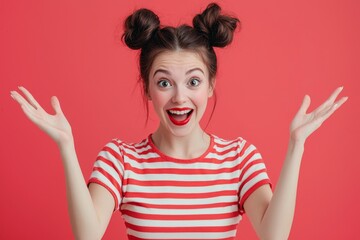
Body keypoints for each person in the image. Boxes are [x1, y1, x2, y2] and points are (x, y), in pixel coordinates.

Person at [10, 3, 348, 240]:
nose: (179, 97)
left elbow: (273, 235)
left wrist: (296, 146)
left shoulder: (240, 158)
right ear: (147, 89)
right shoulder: (121, 160)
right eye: (164, 82)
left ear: (211, 85)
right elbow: (87, 235)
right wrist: (66, 147)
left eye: (193, 81)